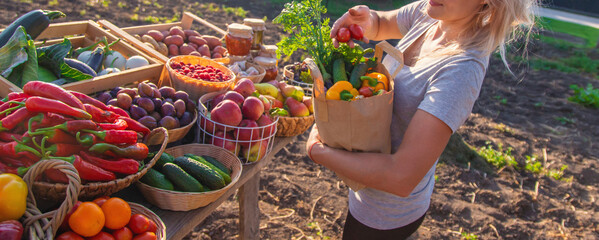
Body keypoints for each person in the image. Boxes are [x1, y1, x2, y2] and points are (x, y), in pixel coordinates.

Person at [306, 0, 536, 239]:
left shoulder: (462, 70)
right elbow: (383, 22)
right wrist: (368, 21)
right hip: (364, 190)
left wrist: (317, 151)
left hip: (387, 214)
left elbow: (401, 177)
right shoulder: (431, 12)